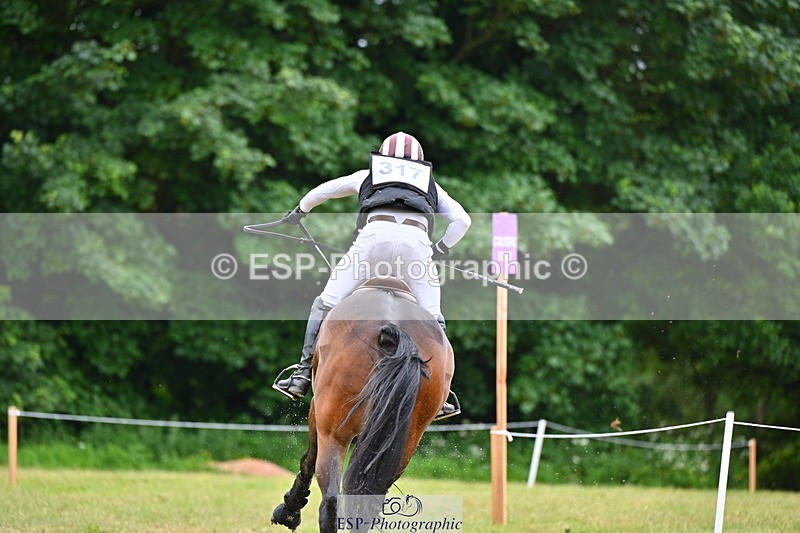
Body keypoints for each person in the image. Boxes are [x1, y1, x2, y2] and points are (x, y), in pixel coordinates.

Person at [274, 132, 471, 419]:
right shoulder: (433, 187)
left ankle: (302, 374)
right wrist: (441, 248)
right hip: (416, 248)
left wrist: (300, 211)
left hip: (373, 240)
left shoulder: (368, 174)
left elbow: (325, 190)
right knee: (433, 318)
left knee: (325, 303)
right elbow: (462, 220)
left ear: (383, 155)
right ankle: (442, 391)